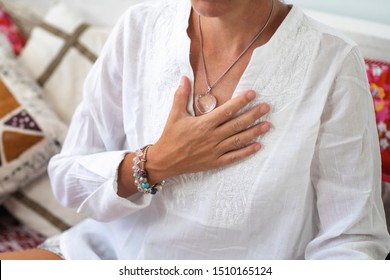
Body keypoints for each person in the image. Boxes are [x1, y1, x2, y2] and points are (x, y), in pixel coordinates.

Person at [1, 0, 390, 260]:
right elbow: (69, 180)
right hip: (108, 256)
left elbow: (351, 240)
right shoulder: (138, 29)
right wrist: (154, 163)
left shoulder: (332, 62)